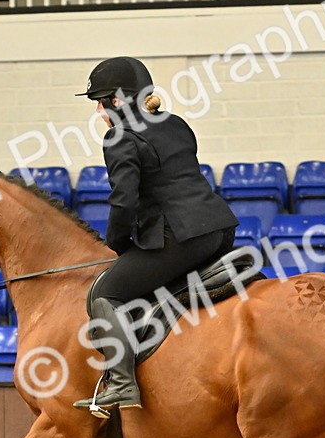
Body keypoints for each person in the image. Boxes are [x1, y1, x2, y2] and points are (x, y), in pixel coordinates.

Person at [73, 56, 239, 414]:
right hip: (219, 229)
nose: (99, 111)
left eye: (101, 102)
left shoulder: (119, 137)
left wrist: (118, 244)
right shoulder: (176, 124)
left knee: (106, 292)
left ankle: (121, 384)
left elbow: (124, 202)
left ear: (117, 101)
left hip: (180, 237)